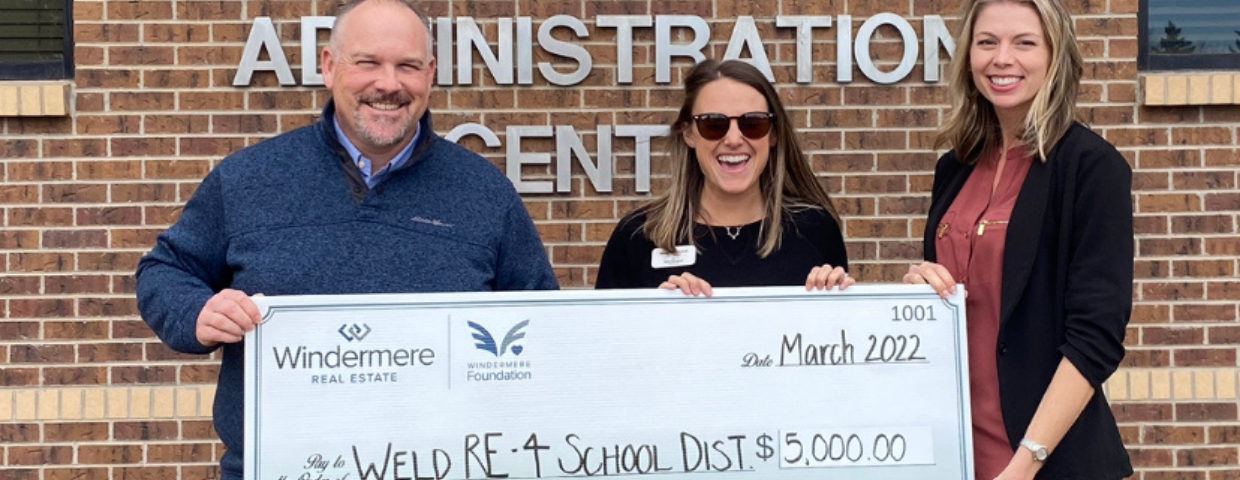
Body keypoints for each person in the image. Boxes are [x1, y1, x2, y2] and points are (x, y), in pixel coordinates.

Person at [134, 1, 557, 478]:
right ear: (329, 66)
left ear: (431, 74)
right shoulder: (249, 179)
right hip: (279, 469)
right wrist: (197, 311)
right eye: (368, 62)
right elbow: (166, 269)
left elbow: (542, 322)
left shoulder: (485, 192)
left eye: (408, 66)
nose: (389, 84)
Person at [902, 0, 1133, 478]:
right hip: (955, 453)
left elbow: (1095, 338)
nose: (1001, 58)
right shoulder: (955, 167)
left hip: (1043, 462)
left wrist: (1025, 464)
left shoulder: (1091, 168)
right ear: (969, 56)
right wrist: (922, 287)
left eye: (1024, 43)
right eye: (987, 42)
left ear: (1054, 56)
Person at [595, 59, 851, 295]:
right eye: (713, 124)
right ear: (689, 134)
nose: (733, 140)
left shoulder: (815, 230)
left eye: (753, 124)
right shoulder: (638, 237)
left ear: (773, 134)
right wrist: (657, 314)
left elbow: (836, 340)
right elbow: (602, 339)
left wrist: (839, 302)